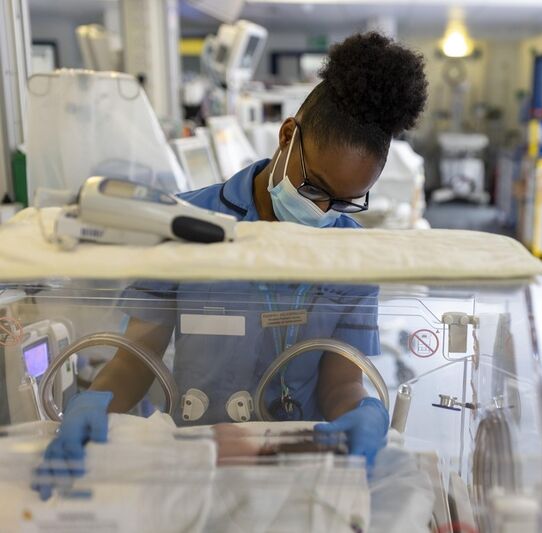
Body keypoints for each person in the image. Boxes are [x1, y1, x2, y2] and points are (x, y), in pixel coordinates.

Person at [37, 32, 428, 496]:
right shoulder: (185, 224)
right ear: (287, 136)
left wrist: (361, 413)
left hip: (297, 465)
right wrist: (96, 403)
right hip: (197, 459)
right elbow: (137, 358)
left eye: (344, 202)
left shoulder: (352, 256)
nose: (323, 211)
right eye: (314, 188)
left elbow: (339, 383)